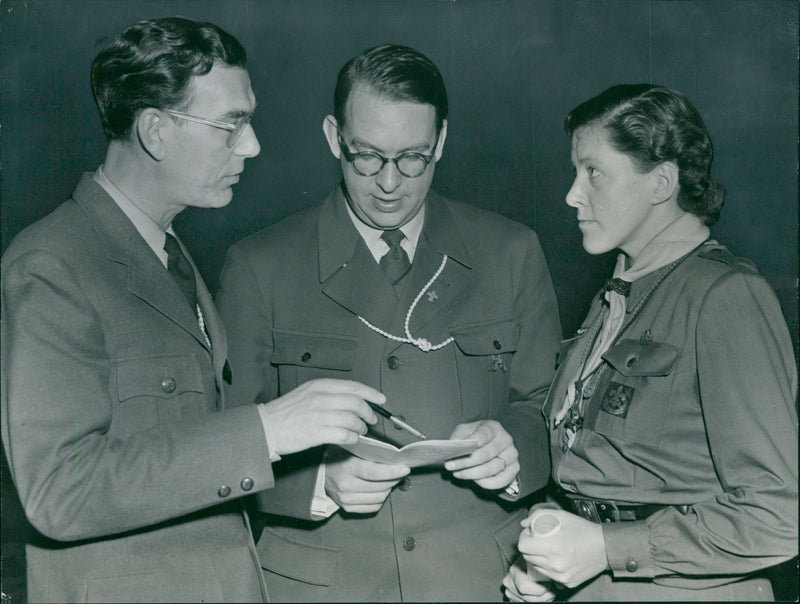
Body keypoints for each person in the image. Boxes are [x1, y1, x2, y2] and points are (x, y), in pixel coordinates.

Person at [0, 17, 386, 603]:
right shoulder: (53, 264)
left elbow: (182, 455)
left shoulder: (167, 254)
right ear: (155, 131)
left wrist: (315, 476)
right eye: (231, 124)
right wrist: (269, 428)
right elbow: (59, 492)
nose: (252, 145)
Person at [215, 44, 562, 601]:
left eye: (413, 158)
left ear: (441, 142)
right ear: (334, 137)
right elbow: (223, 440)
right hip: (323, 584)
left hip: (480, 580)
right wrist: (320, 482)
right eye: (367, 156)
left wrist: (515, 445)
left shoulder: (511, 252)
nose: (389, 183)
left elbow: (549, 407)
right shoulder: (260, 265)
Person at [503, 84, 798, 602]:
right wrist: (556, 547)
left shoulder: (725, 297)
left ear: (661, 182)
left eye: (592, 172)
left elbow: (779, 515)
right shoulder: (617, 295)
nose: (572, 194)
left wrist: (605, 547)